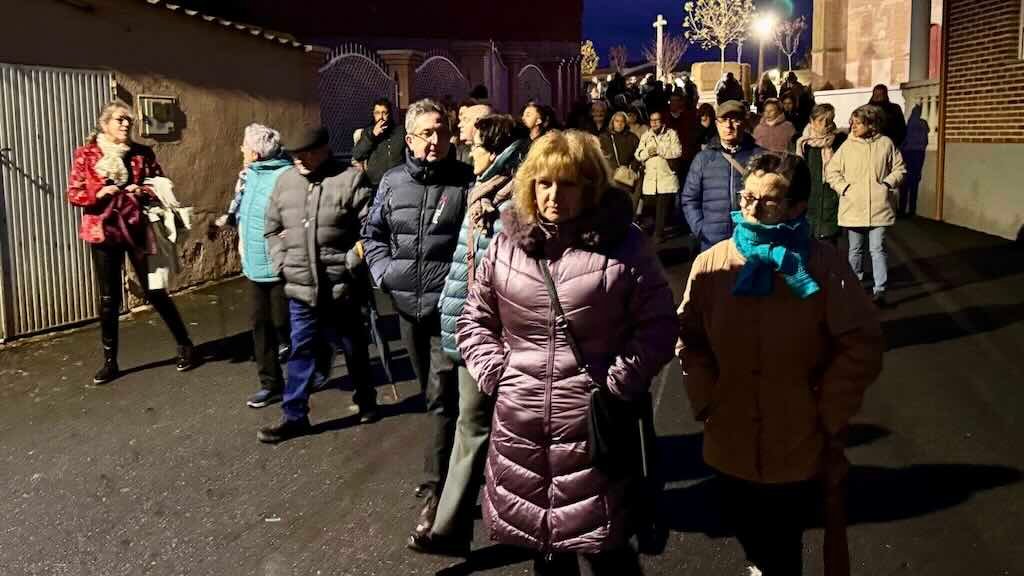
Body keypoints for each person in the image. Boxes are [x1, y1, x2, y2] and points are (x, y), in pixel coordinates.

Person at [457, 130, 677, 575]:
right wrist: (497, 373)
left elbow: (659, 325)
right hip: (521, 424)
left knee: (608, 550)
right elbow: (474, 319)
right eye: (544, 183)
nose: (554, 195)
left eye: (568, 183)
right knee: (546, 553)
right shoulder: (505, 245)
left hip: (593, 425)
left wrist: (616, 382)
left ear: (590, 186)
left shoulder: (625, 246)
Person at [677, 151, 884, 576]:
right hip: (728, 434)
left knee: (784, 544)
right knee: (748, 533)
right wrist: (705, 397)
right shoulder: (712, 263)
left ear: (797, 208)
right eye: (747, 197)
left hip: (797, 436)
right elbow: (690, 339)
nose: (750, 209)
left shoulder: (822, 264)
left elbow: (861, 343)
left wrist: (827, 408)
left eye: (767, 201)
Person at [409, 114, 529, 555]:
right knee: (472, 425)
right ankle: (451, 528)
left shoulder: (513, 203)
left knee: (488, 430)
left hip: (495, 337)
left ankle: (499, 524)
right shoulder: (483, 193)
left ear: (495, 151)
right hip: (467, 329)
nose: (468, 151)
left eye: (474, 145)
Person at [361, 99, 474, 540]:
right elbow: (372, 234)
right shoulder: (391, 182)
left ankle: (435, 493)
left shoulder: (465, 181)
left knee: (442, 397)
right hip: (407, 308)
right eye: (427, 133)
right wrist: (385, 273)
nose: (435, 140)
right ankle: (456, 467)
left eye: (442, 132)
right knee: (431, 394)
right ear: (409, 139)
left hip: (450, 310)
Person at [257, 126, 378, 443]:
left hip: (342, 286)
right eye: (294, 154)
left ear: (324, 150)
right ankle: (294, 416)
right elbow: (271, 229)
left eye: (306, 153)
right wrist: (282, 262)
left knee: (353, 348)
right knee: (301, 350)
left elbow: (372, 229)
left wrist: (352, 260)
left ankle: (367, 400)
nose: (298, 159)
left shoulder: (350, 179)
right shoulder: (285, 181)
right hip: (300, 286)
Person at [67, 101, 195, 385]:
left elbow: (160, 183)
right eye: (120, 120)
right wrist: (99, 193)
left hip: (137, 228)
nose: (126, 124)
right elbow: (74, 193)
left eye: (129, 121)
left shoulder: (141, 153)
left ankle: (185, 344)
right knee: (109, 299)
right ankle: (109, 362)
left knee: (154, 290)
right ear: (105, 124)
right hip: (103, 231)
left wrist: (142, 189)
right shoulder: (87, 155)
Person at [217, 124, 294, 408]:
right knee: (260, 325)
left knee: (285, 323)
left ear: (257, 153)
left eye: (245, 146)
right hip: (253, 265)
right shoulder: (248, 175)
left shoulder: (286, 176)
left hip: (280, 264)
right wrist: (228, 219)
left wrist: (290, 234)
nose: (241, 149)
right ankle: (271, 384)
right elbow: (240, 208)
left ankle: (311, 368)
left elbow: (299, 212)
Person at [826, 105, 907, 306]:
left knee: (877, 249)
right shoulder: (847, 146)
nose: (853, 126)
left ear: (871, 124)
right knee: (855, 250)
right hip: (853, 207)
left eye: (858, 123)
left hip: (880, 207)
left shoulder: (886, 144)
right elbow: (832, 172)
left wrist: (887, 184)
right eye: (852, 122)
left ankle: (880, 290)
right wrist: (845, 189)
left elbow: (899, 169)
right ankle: (854, 287)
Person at [682, 100, 764, 252]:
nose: (728, 125)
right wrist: (701, 229)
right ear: (717, 124)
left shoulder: (760, 157)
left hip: (751, 241)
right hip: (713, 243)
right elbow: (689, 199)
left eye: (734, 119)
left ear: (744, 122)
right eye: (724, 120)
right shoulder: (703, 158)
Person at [796, 103, 847, 243]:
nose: (825, 124)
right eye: (820, 120)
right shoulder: (802, 143)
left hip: (831, 199)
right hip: (808, 200)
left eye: (828, 120)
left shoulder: (840, 142)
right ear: (811, 121)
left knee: (829, 245)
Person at [635, 110, 683, 243]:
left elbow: (677, 152)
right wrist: (647, 153)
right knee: (650, 206)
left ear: (662, 121)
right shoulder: (646, 136)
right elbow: (638, 154)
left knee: (662, 207)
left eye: (657, 120)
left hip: (666, 176)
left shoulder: (671, 134)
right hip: (651, 178)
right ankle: (653, 230)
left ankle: (658, 234)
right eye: (652, 120)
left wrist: (659, 150)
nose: (654, 123)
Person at [352, 98, 406, 190]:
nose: (381, 117)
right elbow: (357, 155)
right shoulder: (367, 132)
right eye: (377, 113)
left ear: (390, 114)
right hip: (375, 184)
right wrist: (372, 136)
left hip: (398, 182)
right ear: (373, 114)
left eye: (384, 113)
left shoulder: (401, 132)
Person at [600, 111, 642, 205]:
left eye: (622, 121)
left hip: (626, 176)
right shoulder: (604, 137)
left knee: (624, 203)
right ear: (612, 122)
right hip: (611, 176)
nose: (619, 124)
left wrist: (632, 168)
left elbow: (638, 155)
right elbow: (602, 155)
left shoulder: (632, 138)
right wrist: (613, 167)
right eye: (617, 121)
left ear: (625, 123)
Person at [868, 84, 907, 148]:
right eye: (876, 94)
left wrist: (895, 143)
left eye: (880, 95)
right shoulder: (866, 110)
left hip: (890, 144)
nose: (877, 97)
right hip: (871, 145)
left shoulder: (895, 109)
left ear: (885, 95)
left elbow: (901, 128)